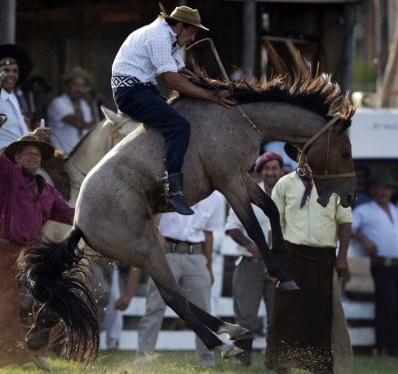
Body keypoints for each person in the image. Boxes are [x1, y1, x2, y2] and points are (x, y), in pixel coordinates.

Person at [111, 5, 234, 215]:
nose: (193, 38)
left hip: (141, 89)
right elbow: (173, 81)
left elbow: (181, 72)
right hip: (131, 92)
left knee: (181, 118)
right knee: (179, 126)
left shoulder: (168, 37)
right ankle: (174, 190)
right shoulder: (158, 36)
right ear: (178, 25)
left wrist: (208, 83)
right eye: (192, 31)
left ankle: (162, 174)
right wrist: (211, 96)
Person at [0, 112, 75, 373]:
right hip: (3, 250)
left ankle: (33, 350)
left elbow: (71, 214)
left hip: (31, 256)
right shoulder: (6, 175)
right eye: (27, 152)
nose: (34, 155)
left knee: (52, 300)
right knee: (3, 307)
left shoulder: (47, 190)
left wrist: (100, 214)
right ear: (17, 158)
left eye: (37, 153)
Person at [265, 145, 353, 374]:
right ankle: (282, 366)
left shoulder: (334, 185)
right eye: (301, 155)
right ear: (296, 158)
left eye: (310, 155)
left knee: (321, 315)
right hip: (291, 256)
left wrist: (342, 257)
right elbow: (274, 223)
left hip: (324, 258)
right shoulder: (284, 184)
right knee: (285, 314)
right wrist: (273, 260)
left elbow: (345, 221)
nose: (306, 160)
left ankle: (320, 366)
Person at [116, 191, 226, 368]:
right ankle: (143, 359)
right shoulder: (172, 188)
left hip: (196, 256)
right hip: (167, 255)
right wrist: (157, 232)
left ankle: (206, 361)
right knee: (154, 307)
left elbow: (209, 235)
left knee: (204, 309)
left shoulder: (216, 199)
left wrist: (209, 267)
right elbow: (148, 213)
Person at [224, 152, 283, 366]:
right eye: (266, 168)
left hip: (278, 263)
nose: (270, 172)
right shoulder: (246, 194)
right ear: (260, 171)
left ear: (281, 170)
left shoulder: (288, 194)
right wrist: (251, 245)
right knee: (245, 314)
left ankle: (274, 360)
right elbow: (232, 227)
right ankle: (243, 361)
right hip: (251, 262)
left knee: (277, 312)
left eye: (275, 168)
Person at [351, 174, 398, 358]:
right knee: (388, 306)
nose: (383, 191)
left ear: (392, 191)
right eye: (380, 188)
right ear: (373, 191)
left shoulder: (397, 211)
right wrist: (364, 238)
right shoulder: (364, 210)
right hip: (382, 265)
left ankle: (395, 349)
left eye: (387, 188)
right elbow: (349, 229)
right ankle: (383, 349)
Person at [0, 44, 49, 166]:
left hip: (21, 161)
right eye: (6, 71)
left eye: (15, 71)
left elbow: (15, 137)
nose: (11, 75)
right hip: (3, 163)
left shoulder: (12, 97)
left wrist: (33, 136)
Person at [48, 67, 94, 153]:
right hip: (62, 153)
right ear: (67, 85)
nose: (79, 89)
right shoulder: (58, 102)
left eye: (82, 86)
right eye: (75, 85)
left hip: (80, 154)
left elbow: (88, 125)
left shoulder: (84, 104)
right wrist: (95, 127)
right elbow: (77, 122)